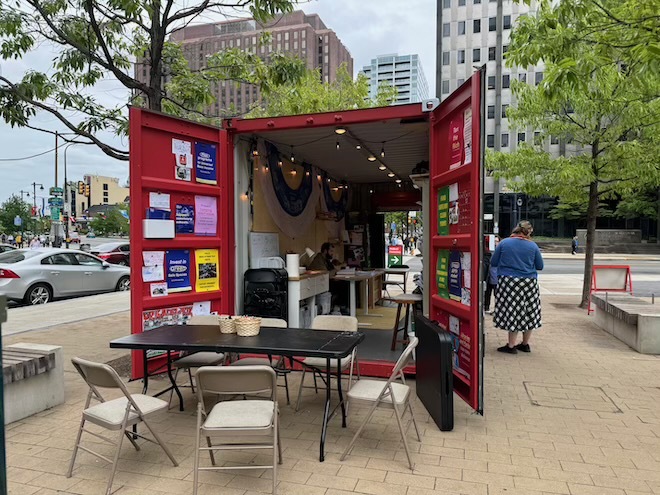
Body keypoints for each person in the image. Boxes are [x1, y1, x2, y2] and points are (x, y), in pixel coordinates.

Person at [491, 220, 544, 354]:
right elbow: (540, 266)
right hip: (529, 282)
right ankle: (525, 344)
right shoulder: (533, 246)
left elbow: (494, 262)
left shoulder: (504, 243)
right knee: (528, 312)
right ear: (528, 232)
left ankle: (511, 346)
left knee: (512, 310)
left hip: (508, 281)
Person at [483, 236, 500, 314]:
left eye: (496, 241)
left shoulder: (499, 251)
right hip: (488, 276)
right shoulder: (487, 251)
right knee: (487, 293)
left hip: (496, 276)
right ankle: (486, 307)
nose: (495, 243)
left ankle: (497, 309)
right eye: (494, 241)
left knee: (497, 294)